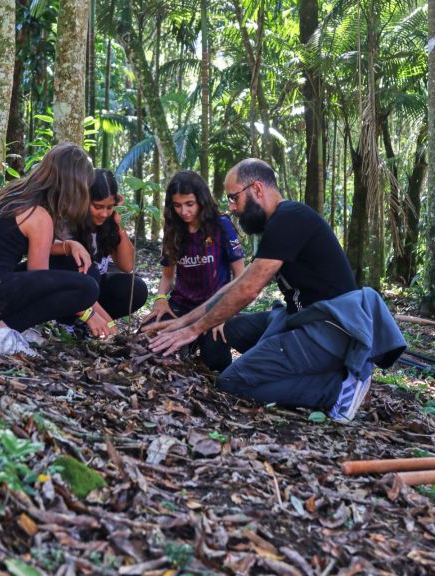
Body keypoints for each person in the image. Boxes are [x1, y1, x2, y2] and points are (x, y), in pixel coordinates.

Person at [148, 159, 406, 422]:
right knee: (226, 331)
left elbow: (249, 290)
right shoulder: (278, 223)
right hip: (299, 319)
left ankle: (335, 390)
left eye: (234, 197)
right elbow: (238, 284)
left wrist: (193, 330)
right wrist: (185, 322)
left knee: (231, 382)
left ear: (257, 189)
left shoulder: (290, 218)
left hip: (327, 332)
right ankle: (322, 372)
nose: (232, 207)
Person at [0, 143, 106, 358]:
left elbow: (31, 246)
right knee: (87, 288)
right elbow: (39, 279)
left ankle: (12, 326)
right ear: (74, 186)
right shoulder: (39, 215)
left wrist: (68, 245)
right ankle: (1, 331)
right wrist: (88, 312)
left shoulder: (15, 194)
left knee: (72, 265)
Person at [143, 170, 245, 371]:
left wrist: (225, 314)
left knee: (216, 364)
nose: (184, 211)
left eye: (190, 204)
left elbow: (241, 276)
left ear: (201, 201)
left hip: (214, 307)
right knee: (149, 343)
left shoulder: (221, 225)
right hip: (181, 306)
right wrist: (160, 299)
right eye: (177, 205)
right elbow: (167, 276)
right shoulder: (173, 228)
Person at [50, 168, 148, 325]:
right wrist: (110, 325)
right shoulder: (67, 219)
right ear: (84, 200)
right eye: (98, 207)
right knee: (89, 270)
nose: (104, 214)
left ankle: (86, 326)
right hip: (64, 288)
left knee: (136, 288)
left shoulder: (109, 221)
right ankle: (72, 323)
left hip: (94, 289)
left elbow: (127, 265)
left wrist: (119, 223)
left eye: (109, 207)